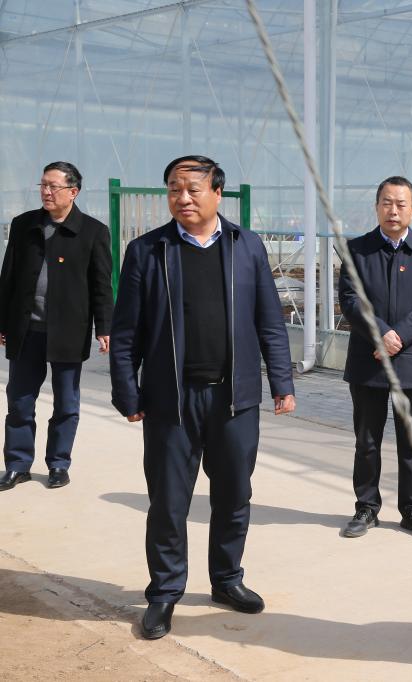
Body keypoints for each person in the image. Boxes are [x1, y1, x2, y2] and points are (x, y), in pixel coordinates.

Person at [109, 155, 295, 640]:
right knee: (168, 501)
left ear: (217, 192)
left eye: (193, 188)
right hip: (170, 400)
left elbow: (269, 321)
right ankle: (165, 592)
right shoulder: (148, 250)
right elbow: (126, 331)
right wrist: (127, 390)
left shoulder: (246, 246)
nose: (183, 198)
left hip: (234, 399)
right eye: (174, 189)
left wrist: (282, 382)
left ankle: (227, 580)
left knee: (234, 494)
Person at [337, 176, 412, 540]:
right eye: (386, 202)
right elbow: (350, 299)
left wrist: (399, 336)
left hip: (411, 361)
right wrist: (381, 333)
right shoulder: (357, 251)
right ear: (377, 207)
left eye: (400, 204)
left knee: (411, 441)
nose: (393, 210)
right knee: (367, 440)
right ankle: (366, 508)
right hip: (368, 360)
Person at [0, 161, 112, 491]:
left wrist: (104, 327)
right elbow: (8, 276)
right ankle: (17, 464)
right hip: (27, 329)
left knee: (66, 403)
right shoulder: (24, 225)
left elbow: (102, 285)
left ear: (73, 192)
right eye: (43, 185)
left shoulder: (93, 231)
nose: (46, 192)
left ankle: (59, 464)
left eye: (53, 186)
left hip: (68, 331)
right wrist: (3, 321)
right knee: (19, 401)